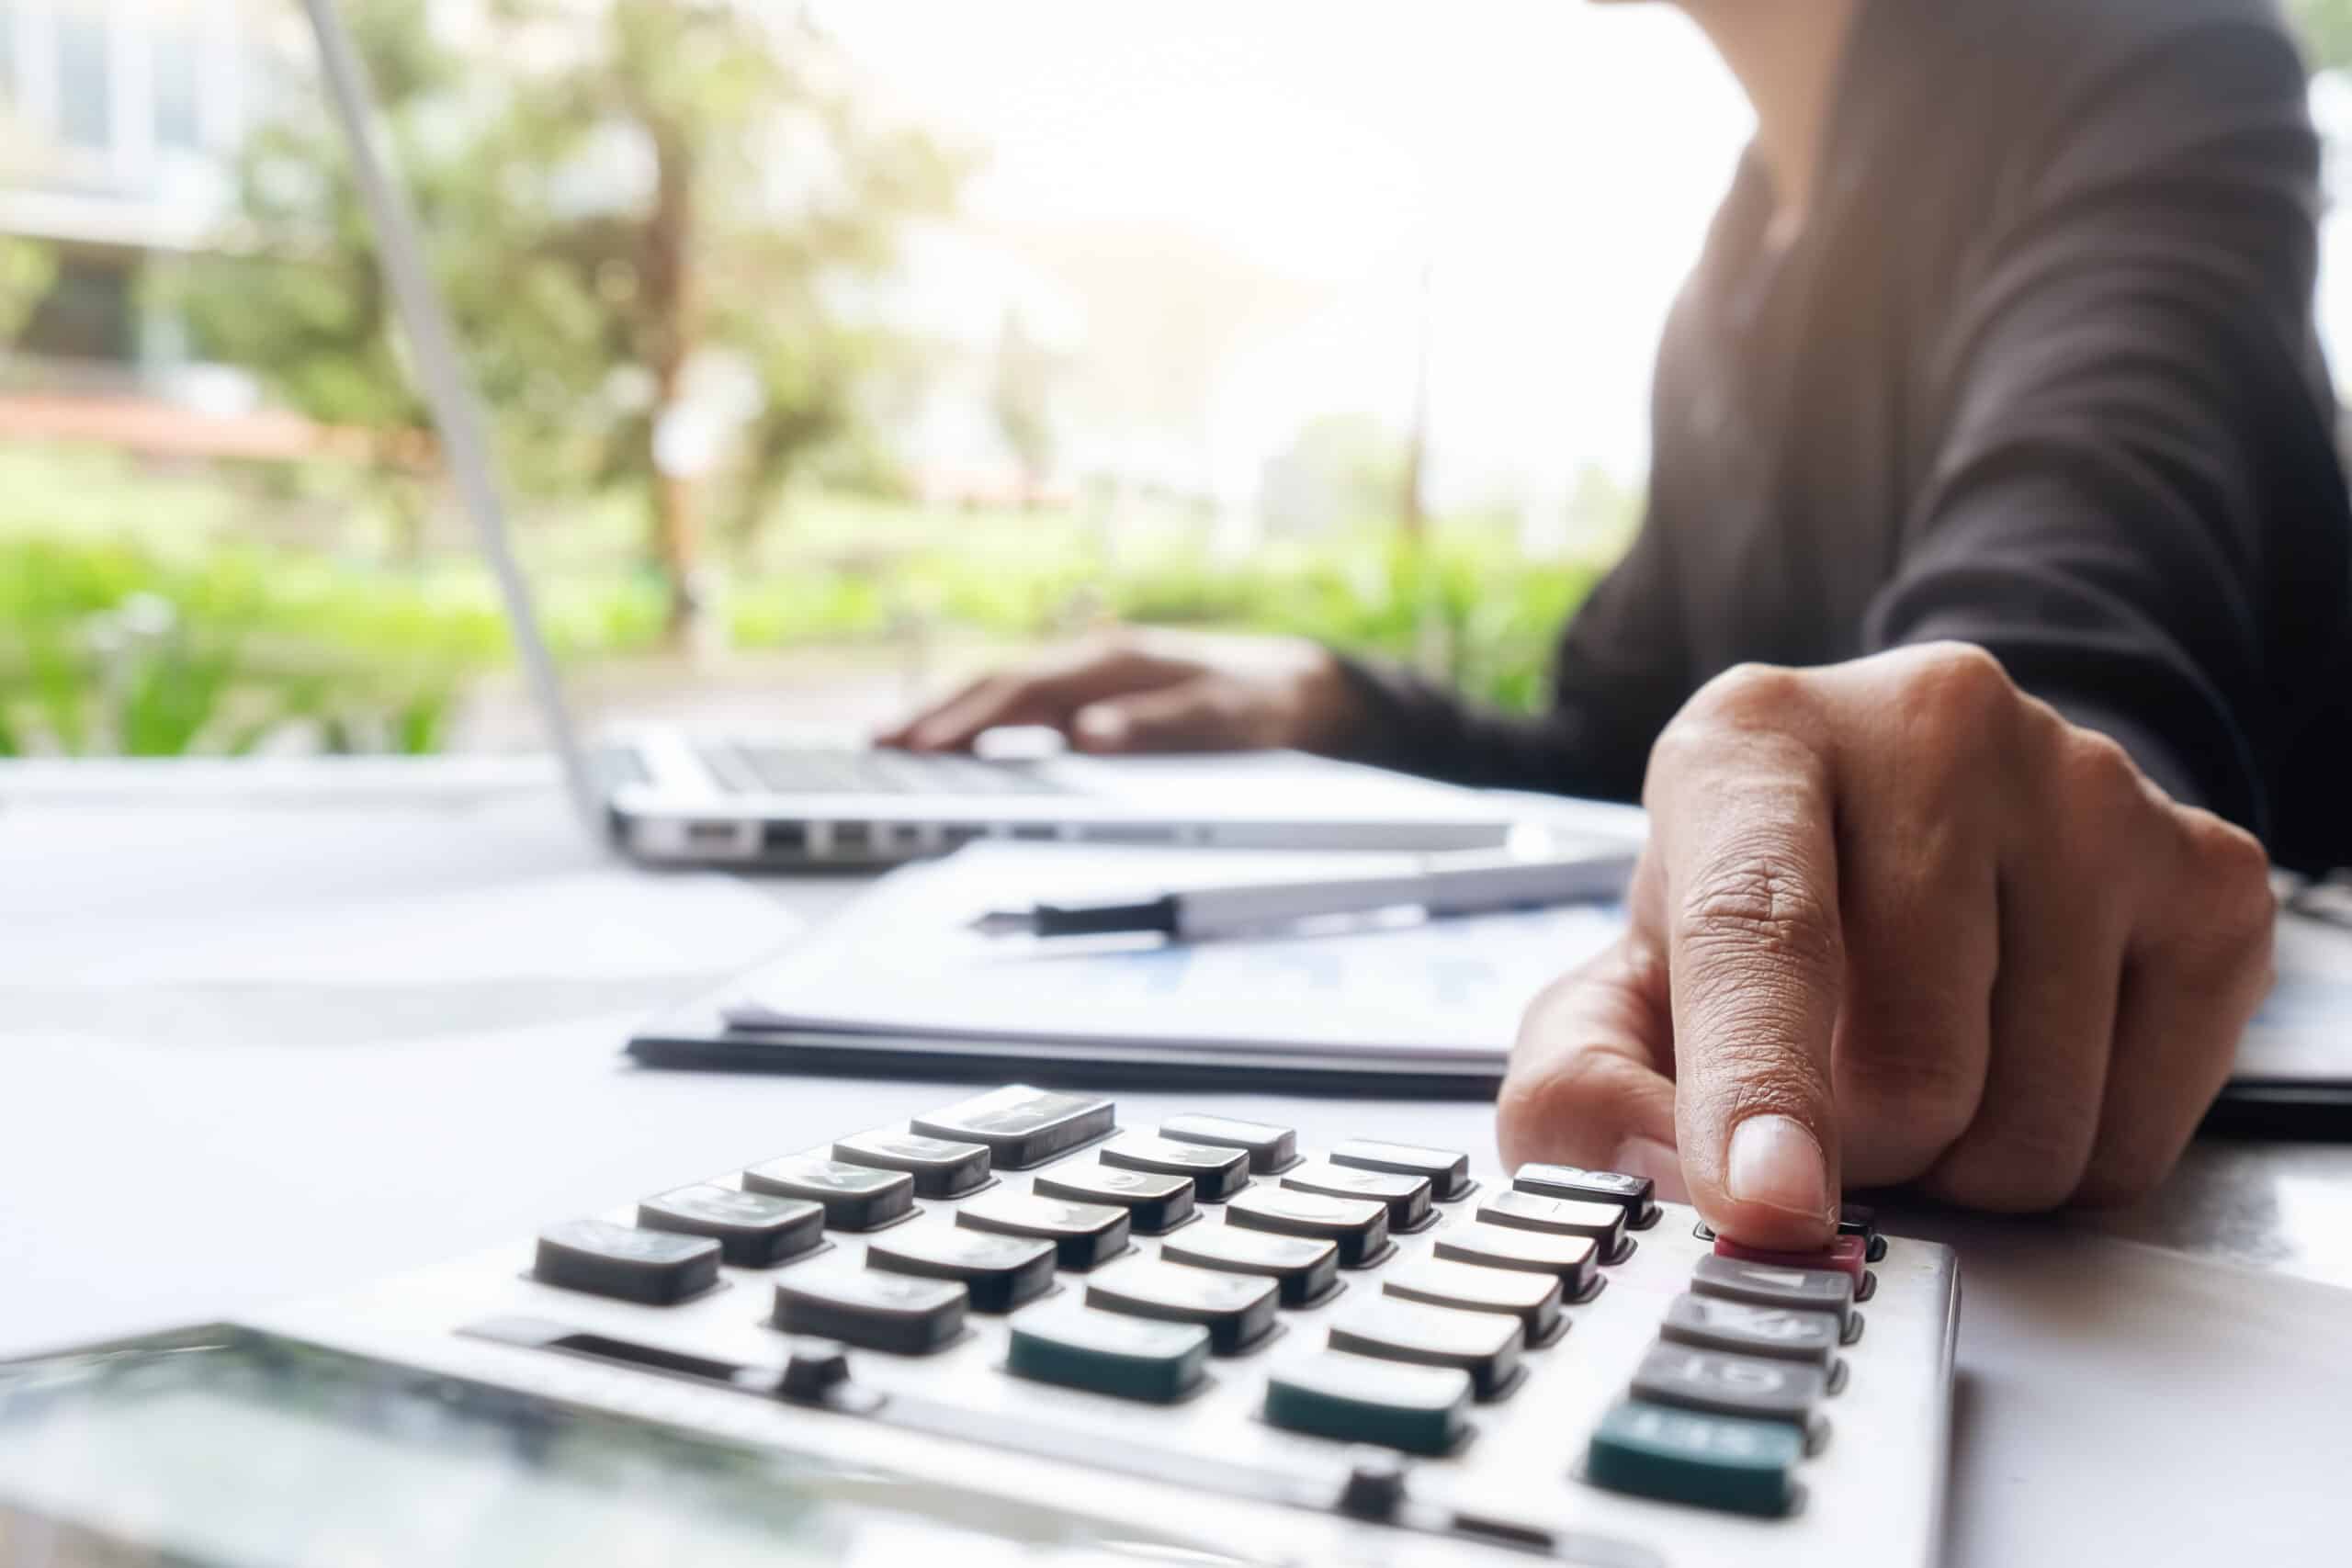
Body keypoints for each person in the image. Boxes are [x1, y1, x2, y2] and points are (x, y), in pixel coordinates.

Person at [880, 0, 2352, 1248]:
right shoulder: (1726, 285)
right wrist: (1336, 698)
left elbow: (2089, 585)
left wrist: (1945, 823)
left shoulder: (2157, 56)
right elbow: (1625, 736)